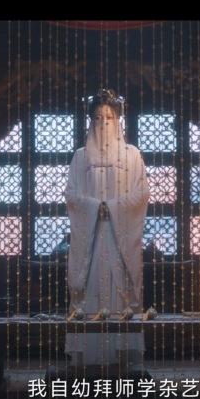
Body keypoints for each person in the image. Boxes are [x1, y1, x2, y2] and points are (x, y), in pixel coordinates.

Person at [64, 89, 149, 376]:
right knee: (89, 292)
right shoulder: (80, 157)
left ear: (118, 120)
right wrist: (94, 207)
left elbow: (141, 193)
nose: (104, 123)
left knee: (121, 291)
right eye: (98, 117)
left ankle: (124, 360)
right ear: (91, 121)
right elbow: (71, 195)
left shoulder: (132, 155)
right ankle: (86, 363)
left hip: (119, 236)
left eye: (109, 117)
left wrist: (112, 208)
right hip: (90, 238)